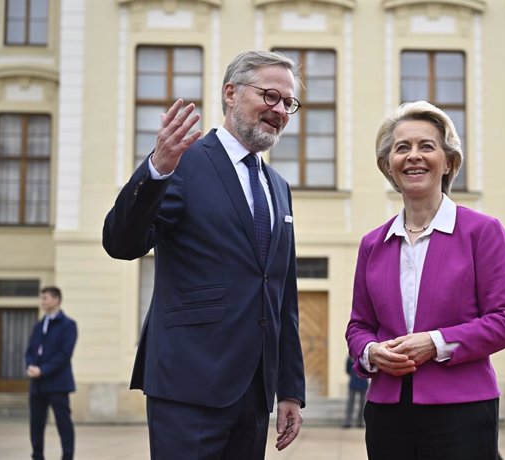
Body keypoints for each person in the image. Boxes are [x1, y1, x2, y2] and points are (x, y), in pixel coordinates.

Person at [102, 50, 305, 459]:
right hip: (188, 385)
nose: (280, 110)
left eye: (288, 103)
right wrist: (157, 167)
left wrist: (290, 390)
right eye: (269, 96)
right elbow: (121, 242)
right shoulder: (184, 163)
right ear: (231, 93)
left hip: (254, 393)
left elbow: (283, 296)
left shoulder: (278, 186)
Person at [345, 101, 505, 460]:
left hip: (462, 410)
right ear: (389, 167)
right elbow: (359, 326)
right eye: (402, 148)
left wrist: (436, 342)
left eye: (426, 146)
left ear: (448, 162)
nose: (413, 156)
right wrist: (371, 352)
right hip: (386, 412)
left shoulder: (482, 232)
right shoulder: (372, 244)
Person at [25, 286, 78, 460]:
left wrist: (43, 370)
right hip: (37, 385)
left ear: (56, 300)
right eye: (42, 298)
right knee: (36, 424)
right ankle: (37, 455)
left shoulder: (69, 325)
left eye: (45, 298)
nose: (42, 302)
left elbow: (64, 354)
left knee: (64, 424)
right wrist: (31, 366)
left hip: (58, 384)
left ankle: (67, 456)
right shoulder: (39, 325)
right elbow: (30, 350)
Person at [343, 355, 369, 428]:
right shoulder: (350, 358)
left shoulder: (365, 357)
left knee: (362, 404)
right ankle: (348, 422)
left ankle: (360, 422)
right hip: (353, 383)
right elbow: (347, 370)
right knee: (350, 403)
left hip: (363, 383)